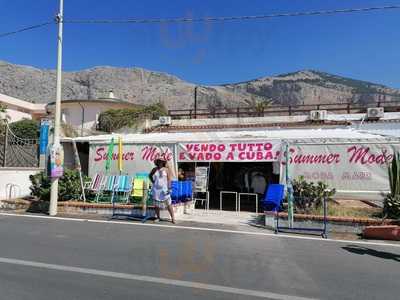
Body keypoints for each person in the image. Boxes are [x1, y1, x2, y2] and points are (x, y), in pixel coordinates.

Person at [149, 158, 176, 223]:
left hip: (164, 189)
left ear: (163, 162)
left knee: (168, 204)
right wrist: (153, 182)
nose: (160, 162)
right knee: (156, 205)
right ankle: (158, 217)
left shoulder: (167, 170)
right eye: (159, 161)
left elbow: (169, 179)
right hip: (156, 189)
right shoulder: (154, 169)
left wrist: (169, 188)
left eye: (161, 161)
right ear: (157, 162)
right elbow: (150, 175)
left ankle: (173, 218)